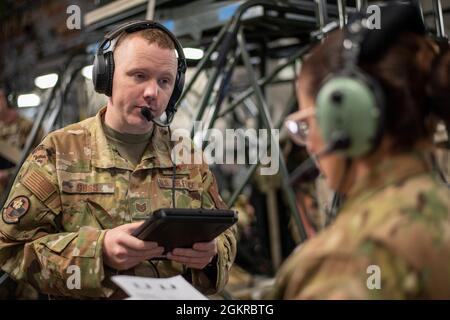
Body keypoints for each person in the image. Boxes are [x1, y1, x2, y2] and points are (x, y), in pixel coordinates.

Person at [0, 21, 236, 299]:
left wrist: (212, 254)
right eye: (139, 75)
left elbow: (225, 235)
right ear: (106, 77)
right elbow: (12, 248)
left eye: (164, 81)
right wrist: (98, 252)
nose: (153, 93)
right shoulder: (59, 150)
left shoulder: (185, 154)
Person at [270, 4, 450, 299]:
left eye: (308, 124)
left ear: (346, 118)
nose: (312, 145)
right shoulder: (439, 208)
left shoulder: (346, 261)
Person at [0, 83, 44, 199]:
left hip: (23, 193)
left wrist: (8, 175)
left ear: (8, 99)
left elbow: (43, 162)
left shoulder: (29, 127)